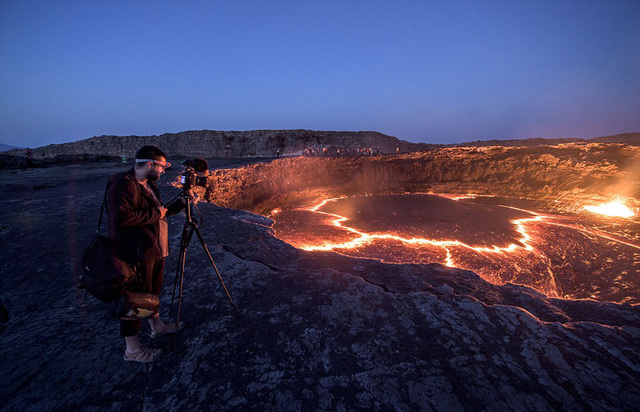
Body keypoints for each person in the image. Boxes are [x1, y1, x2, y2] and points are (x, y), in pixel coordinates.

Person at [106, 145, 185, 363]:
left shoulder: (148, 184)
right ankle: (132, 350)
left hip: (153, 250)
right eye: (161, 167)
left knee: (152, 292)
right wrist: (155, 213)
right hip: (136, 253)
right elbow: (121, 218)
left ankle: (157, 327)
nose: (162, 171)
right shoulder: (123, 184)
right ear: (150, 164)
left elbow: (159, 213)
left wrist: (178, 205)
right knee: (136, 300)